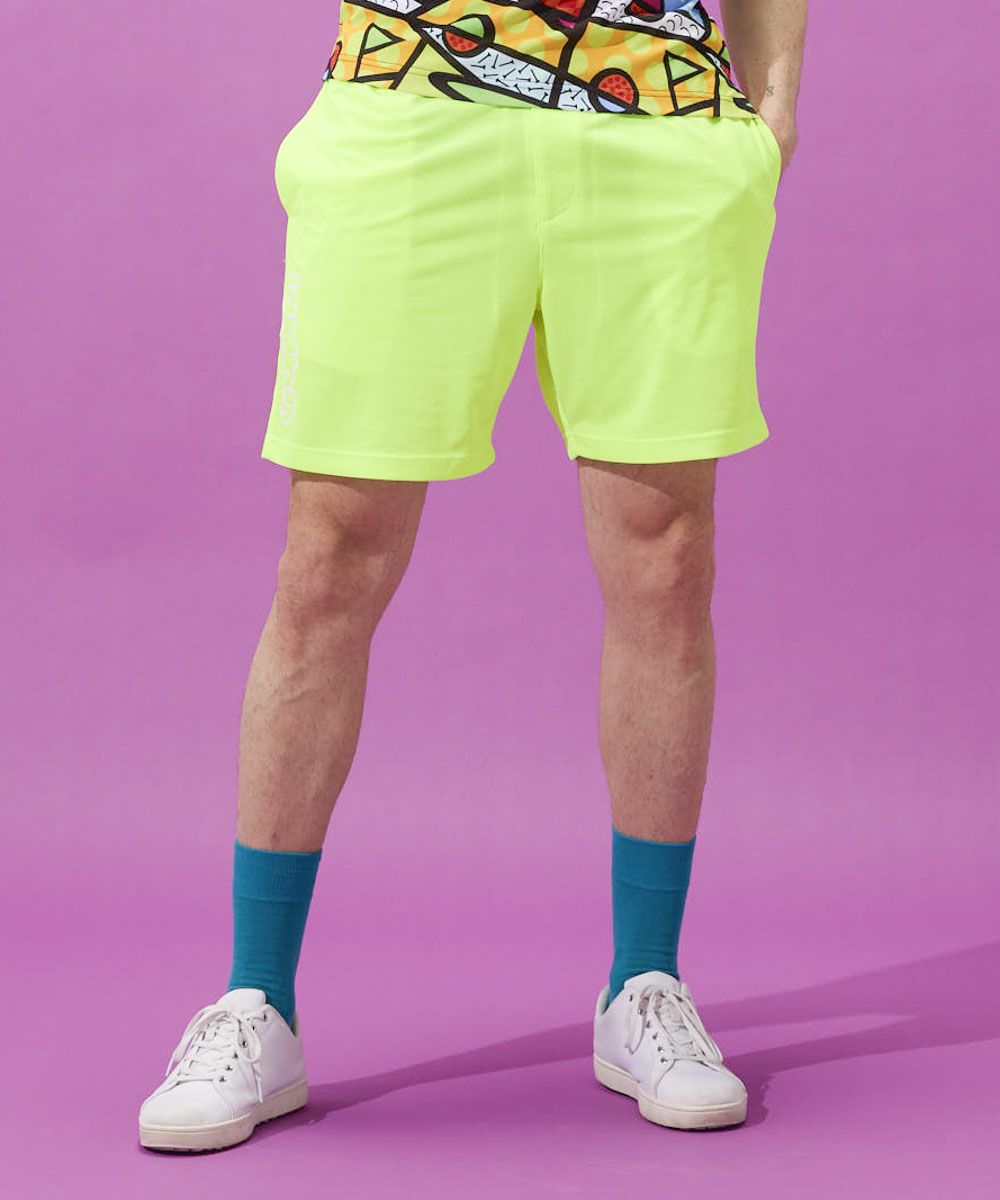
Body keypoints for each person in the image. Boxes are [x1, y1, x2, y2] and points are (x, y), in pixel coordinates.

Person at [138, 0, 806, 1151]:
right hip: (413, 99)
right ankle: (255, 1001)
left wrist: (776, 102)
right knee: (331, 555)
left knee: (664, 556)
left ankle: (644, 983)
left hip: (661, 117)